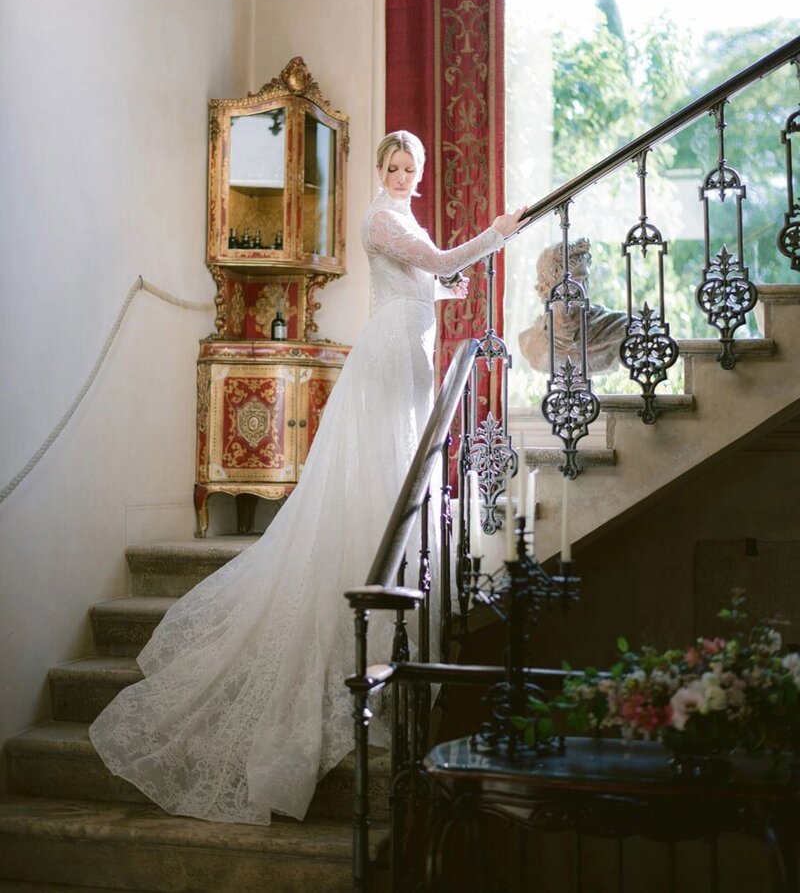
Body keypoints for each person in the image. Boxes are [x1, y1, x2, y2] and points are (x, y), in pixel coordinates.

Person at [89, 130, 525, 825]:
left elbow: (420, 278)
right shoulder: (381, 215)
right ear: (379, 169)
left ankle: (391, 575)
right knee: (383, 471)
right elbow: (438, 258)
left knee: (401, 470)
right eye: (396, 164)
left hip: (411, 347)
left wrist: (442, 293)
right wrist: (494, 235)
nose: (407, 174)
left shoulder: (404, 215)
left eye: (413, 165)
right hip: (388, 357)